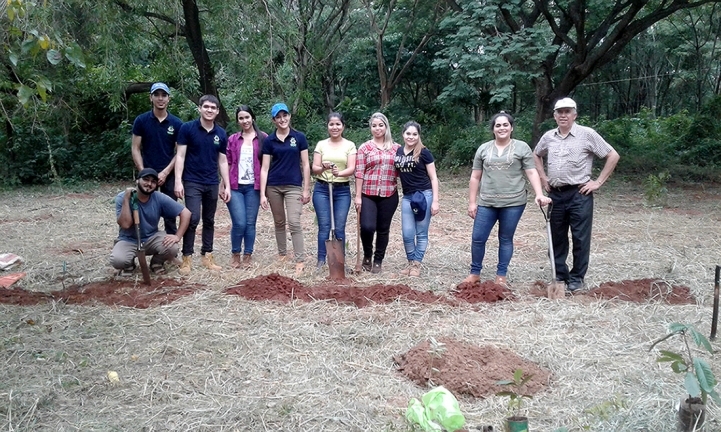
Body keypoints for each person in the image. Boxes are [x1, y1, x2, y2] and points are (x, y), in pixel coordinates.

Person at [533, 98, 620, 291]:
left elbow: (612, 155)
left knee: (580, 237)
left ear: (575, 115)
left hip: (579, 194)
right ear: (554, 115)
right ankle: (560, 277)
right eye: (559, 112)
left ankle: (577, 278)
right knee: (556, 237)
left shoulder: (587, 134)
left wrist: (598, 182)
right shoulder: (549, 136)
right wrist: (544, 178)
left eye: (567, 112)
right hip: (555, 194)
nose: (563, 115)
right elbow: (536, 154)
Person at [464, 112, 552, 286]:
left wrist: (539, 194)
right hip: (487, 202)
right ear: (493, 129)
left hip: (513, 203)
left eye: (505, 125)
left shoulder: (521, 147)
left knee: (505, 238)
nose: (502, 128)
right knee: (478, 237)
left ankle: (501, 275)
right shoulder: (483, 149)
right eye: (498, 125)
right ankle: (475, 273)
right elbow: (475, 177)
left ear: (511, 128)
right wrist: (472, 202)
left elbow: (531, 171)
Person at [174, 95, 231, 275]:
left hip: (212, 182)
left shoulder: (221, 134)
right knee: (192, 218)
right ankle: (187, 258)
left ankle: (207, 255)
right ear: (199, 108)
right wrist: (178, 181)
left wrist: (226, 185)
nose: (209, 110)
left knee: (209, 220)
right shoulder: (187, 128)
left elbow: (222, 161)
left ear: (217, 111)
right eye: (206, 107)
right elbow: (180, 156)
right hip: (192, 181)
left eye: (213, 108)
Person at [260, 103, 311, 276]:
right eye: (278, 117)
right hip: (273, 185)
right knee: (279, 221)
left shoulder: (299, 137)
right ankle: (282, 254)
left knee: (294, 222)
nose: (282, 119)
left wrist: (306, 189)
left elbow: (305, 164)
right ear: (273, 120)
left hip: (293, 186)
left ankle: (300, 259)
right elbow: (265, 168)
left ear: (289, 116)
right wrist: (262, 194)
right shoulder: (269, 140)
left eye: (285, 115)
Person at [110, 168, 191, 274]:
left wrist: (177, 236)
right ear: (137, 180)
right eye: (146, 179)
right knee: (118, 260)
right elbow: (125, 224)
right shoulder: (122, 197)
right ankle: (129, 265)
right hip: (128, 240)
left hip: (151, 237)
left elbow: (186, 213)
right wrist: (126, 199)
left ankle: (156, 262)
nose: (149, 184)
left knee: (172, 248)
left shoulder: (159, 197)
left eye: (153, 182)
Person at [130, 82, 183, 235]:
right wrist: (144, 173)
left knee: (170, 214)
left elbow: (179, 152)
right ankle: (141, 244)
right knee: (143, 210)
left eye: (164, 95)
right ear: (151, 98)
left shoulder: (176, 123)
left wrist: (165, 173)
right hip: (147, 172)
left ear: (168, 99)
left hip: (169, 174)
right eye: (157, 95)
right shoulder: (141, 121)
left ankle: (170, 252)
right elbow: (135, 148)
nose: (160, 99)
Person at [354, 112, 400, 274]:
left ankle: (378, 260)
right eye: (374, 126)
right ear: (370, 128)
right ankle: (367, 255)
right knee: (367, 227)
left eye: (380, 125)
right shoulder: (364, 148)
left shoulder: (397, 149)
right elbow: (359, 173)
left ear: (386, 127)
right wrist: (358, 196)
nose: (377, 128)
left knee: (383, 229)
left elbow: (405, 170)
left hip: (389, 194)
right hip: (368, 193)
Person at [311, 112, 357, 271]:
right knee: (324, 226)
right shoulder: (321, 144)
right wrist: (323, 166)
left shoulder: (350, 145)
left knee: (339, 227)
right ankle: (321, 261)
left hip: (342, 190)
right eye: (331, 124)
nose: (335, 127)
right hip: (322, 189)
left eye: (338, 124)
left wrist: (340, 173)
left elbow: (351, 168)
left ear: (343, 126)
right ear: (327, 126)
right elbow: (314, 168)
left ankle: (339, 262)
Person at [394, 121, 439, 277]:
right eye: (408, 134)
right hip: (407, 197)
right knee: (407, 234)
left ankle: (416, 264)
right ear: (403, 134)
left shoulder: (424, 152)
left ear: (419, 135)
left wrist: (435, 201)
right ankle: (410, 262)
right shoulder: (398, 151)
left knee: (421, 233)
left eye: (414, 134)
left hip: (424, 195)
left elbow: (434, 178)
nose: (411, 137)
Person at [223, 105, 267, 268]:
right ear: (237, 121)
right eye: (241, 118)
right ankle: (235, 254)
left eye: (247, 117)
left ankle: (247, 254)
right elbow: (227, 163)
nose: (244, 121)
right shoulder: (233, 139)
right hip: (235, 186)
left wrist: (265, 190)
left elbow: (266, 165)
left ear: (252, 118)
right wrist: (224, 185)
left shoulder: (263, 138)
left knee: (250, 223)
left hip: (253, 188)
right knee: (239, 222)